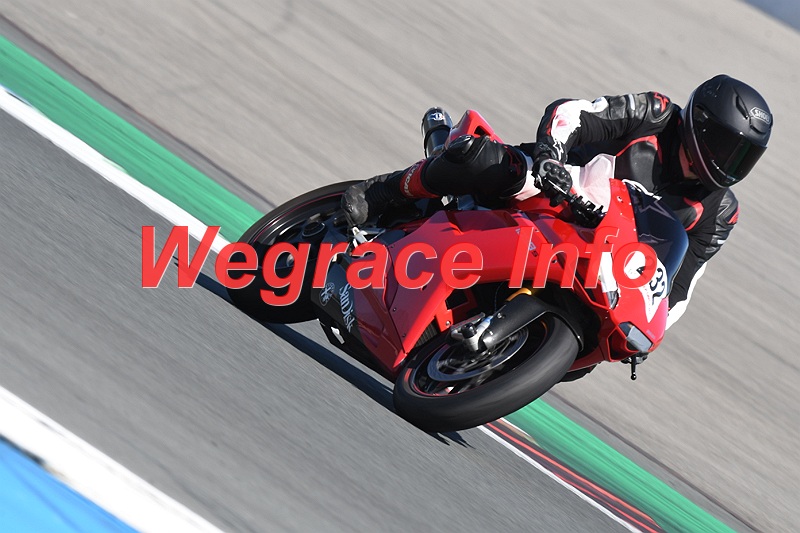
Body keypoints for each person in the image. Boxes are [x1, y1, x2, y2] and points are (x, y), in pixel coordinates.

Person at [341, 74, 772, 330]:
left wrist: (648, 327)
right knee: (486, 161)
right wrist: (551, 157)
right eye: (726, 147)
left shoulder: (720, 212)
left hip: (600, 264)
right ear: (700, 124)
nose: (729, 163)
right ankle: (386, 191)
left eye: (742, 157)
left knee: (593, 349)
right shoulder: (654, 114)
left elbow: (676, 291)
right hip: (554, 192)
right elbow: (575, 114)